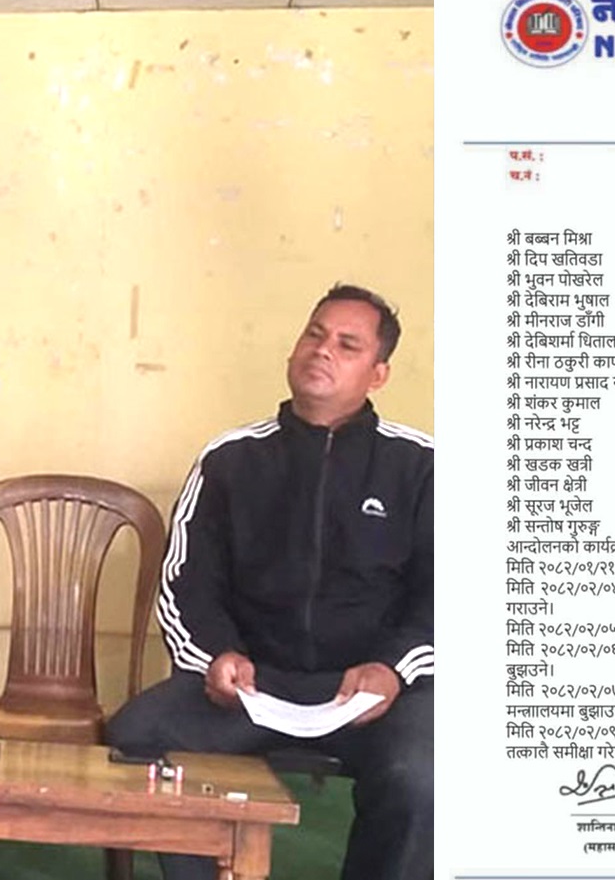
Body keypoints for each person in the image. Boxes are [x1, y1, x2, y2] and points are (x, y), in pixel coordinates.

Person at [106, 284, 434, 880]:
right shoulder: (230, 459)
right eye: (314, 334)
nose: (322, 350)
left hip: (374, 695)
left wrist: (394, 668)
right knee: (139, 735)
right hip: (254, 687)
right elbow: (185, 583)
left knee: (426, 776)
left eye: (348, 344)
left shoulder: (420, 467)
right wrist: (216, 657)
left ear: (378, 374)